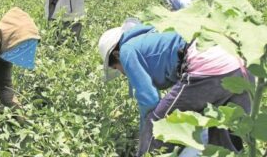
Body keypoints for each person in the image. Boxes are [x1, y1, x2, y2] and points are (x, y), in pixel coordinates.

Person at [98, 19, 253, 156]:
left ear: (116, 55)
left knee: (157, 125)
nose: (123, 73)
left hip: (210, 66)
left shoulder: (127, 50)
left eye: (118, 68)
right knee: (225, 140)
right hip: (241, 63)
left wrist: (144, 135)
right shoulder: (150, 35)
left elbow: (149, 100)